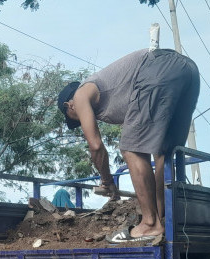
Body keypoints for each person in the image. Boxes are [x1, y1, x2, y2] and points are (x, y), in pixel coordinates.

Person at [58, 49, 199, 242]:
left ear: (69, 105)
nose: (81, 121)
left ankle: (149, 224)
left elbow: (96, 146)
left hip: (157, 69)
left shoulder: (81, 94)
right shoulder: (114, 93)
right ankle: (160, 218)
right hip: (187, 71)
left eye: (74, 119)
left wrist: (107, 181)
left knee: (131, 148)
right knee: (164, 152)